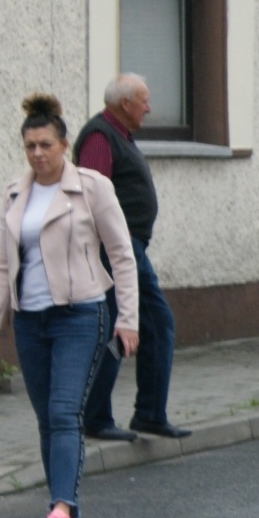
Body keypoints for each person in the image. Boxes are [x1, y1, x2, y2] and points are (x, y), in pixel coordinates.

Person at [0, 94, 139, 518]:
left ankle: (60, 512)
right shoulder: (17, 193)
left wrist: (129, 318)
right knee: (45, 420)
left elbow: (122, 254)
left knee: (63, 412)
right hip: (30, 320)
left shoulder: (91, 187)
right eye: (30, 146)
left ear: (64, 144)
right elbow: (1, 266)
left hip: (80, 314)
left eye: (46, 145)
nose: (38, 154)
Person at [74, 73, 190, 441]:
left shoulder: (118, 136)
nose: (150, 108)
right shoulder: (99, 136)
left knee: (148, 326)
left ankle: (147, 414)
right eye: (144, 100)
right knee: (123, 327)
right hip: (115, 251)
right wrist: (107, 249)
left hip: (128, 249)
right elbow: (89, 194)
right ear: (125, 104)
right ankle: (99, 417)